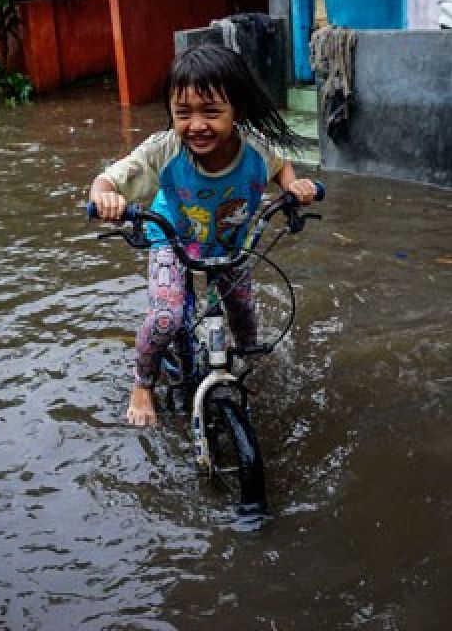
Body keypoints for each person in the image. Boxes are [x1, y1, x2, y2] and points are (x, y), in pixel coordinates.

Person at [87, 44, 318, 426]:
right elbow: (113, 177)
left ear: (237, 111)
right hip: (172, 238)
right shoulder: (166, 149)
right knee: (166, 317)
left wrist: (296, 189)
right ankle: (142, 384)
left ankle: (246, 368)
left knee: (243, 312)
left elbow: (282, 167)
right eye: (183, 113)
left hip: (230, 245)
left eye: (211, 112)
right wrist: (104, 196)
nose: (197, 125)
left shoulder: (255, 149)